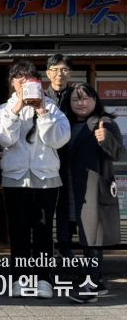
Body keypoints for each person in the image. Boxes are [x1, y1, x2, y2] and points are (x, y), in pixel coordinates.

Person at [0, 60, 70, 298]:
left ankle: (44, 279)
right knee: (19, 232)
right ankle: (20, 279)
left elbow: (58, 140)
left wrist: (42, 111)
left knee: (43, 232)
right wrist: (16, 110)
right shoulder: (3, 109)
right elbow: (3, 138)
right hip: (15, 178)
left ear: (38, 82)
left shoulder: (53, 108)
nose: (24, 83)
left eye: (29, 78)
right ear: (12, 83)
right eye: (19, 78)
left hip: (46, 177)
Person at [64, 84, 123, 303]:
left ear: (95, 100)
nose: (80, 103)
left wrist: (105, 139)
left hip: (92, 190)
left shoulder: (105, 122)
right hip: (70, 190)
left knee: (92, 240)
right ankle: (95, 282)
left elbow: (119, 153)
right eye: (75, 99)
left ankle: (91, 286)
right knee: (72, 239)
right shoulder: (66, 124)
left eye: (85, 98)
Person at [44, 54, 75, 258]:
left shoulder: (76, 95)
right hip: (46, 157)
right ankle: (45, 247)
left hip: (70, 158)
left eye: (64, 69)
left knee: (66, 203)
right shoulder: (40, 96)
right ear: (48, 73)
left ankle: (65, 246)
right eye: (55, 70)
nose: (59, 74)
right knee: (45, 205)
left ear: (70, 73)